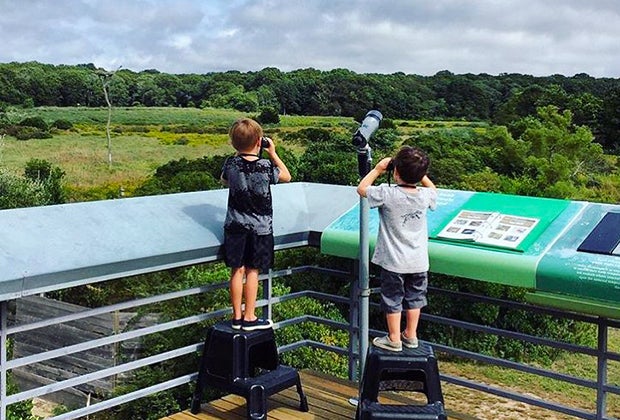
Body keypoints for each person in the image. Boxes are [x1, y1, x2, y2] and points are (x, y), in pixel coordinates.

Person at [357, 146, 437, 351]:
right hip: (419, 261)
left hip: (394, 261)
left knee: (393, 299)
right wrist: (420, 174)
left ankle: (394, 338)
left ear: (396, 172)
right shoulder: (425, 195)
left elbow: (362, 188)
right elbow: (433, 189)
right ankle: (411, 334)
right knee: (416, 298)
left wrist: (377, 169)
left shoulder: (386, 193)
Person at [221, 118, 291, 331]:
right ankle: (250, 316)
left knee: (237, 271)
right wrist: (273, 153)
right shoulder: (265, 166)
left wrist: (238, 155)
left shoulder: (231, 164)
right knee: (253, 271)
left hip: (235, 226)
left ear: (233, 143)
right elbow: (287, 176)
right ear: (260, 141)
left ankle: (236, 316)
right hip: (260, 227)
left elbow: (224, 180)